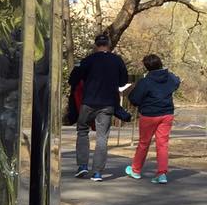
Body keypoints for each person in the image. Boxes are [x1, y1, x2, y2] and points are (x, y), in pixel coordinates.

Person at [68, 33, 129, 181]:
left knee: (82, 131)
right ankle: (97, 173)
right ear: (109, 44)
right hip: (108, 104)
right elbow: (123, 82)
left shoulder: (88, 60)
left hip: (88, 102)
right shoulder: (117, 61)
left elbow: (72, 80)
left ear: (96, 45)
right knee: (102, 138)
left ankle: (82, 166)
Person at [125, 53, 181, 184]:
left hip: (149, 115)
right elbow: (177, 82)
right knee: (162, 145)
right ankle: (162, 174)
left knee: (144, 143)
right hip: (167, 114)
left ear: (147, 67)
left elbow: (134, 98)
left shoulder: (146, 82)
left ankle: (136, 170)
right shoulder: (170, 77)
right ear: (160, 63)